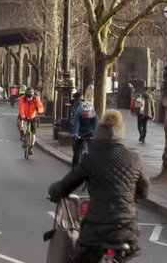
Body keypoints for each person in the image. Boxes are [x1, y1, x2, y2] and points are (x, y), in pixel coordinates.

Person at [48, 110, 149, 262]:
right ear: (121, 131)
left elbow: (67, 184)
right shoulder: (135, 159)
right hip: (127, 231)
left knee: (78, 257)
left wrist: (54, 192)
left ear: (99, 131)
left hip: (95, 232)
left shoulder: (91, 159)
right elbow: (144, 191)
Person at [71, 100, 98, 167]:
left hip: (89, 132)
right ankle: (74, 169)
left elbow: (96, 128)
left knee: (93, 149)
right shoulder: (79, 114)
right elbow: (76, 125)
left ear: (91, 111)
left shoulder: (95, 117)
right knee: (76, 153)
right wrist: (75, 134)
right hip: (79, 132)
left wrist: (96, 137)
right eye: (85, 111)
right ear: (82, 111)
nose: (87, 113)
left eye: (88, 111)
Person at [18, 87, 44, 155]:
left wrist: (39, 110)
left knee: (33, 133)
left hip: (33, 117)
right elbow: (21, 108)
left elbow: (41, 107)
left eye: (30, 97)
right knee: (21, 124)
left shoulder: (36, 99)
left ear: (33, 96)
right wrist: (23, 117)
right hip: (25, 116)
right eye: (27, 97)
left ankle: (31, 147)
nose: (28, 99)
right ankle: (23, 136)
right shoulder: (22, 99)